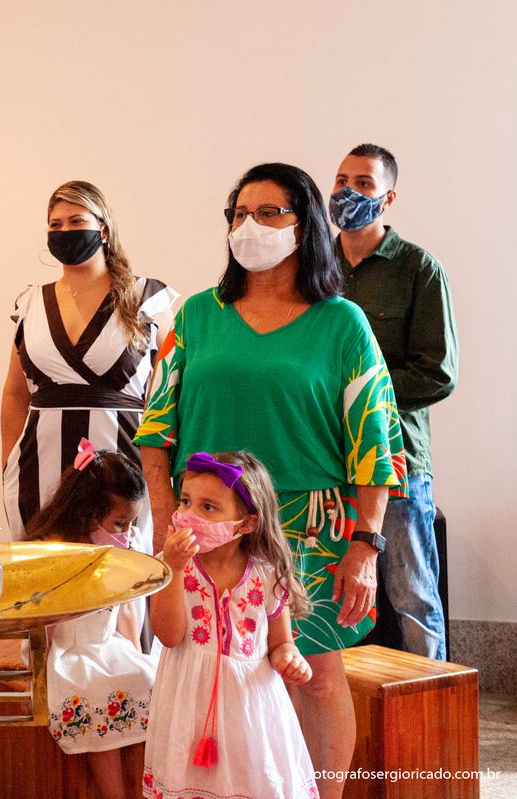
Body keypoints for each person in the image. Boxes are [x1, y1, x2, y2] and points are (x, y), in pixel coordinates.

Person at [135, 162, 406, 799]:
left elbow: (376, 447)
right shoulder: (196, 317)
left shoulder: (343, 324)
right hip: (207, 526)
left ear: (303, 225)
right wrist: (168, 523)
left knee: (314, 677)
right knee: (209, 670)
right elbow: (154, 431)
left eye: (268, 213)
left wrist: (366, 546)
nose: (249, 226)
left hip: (309, 528)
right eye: (239, 214)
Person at [330, 144, 458, 660]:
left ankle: (433, 707)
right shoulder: (312, 267)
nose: (347, 192)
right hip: (325, 458)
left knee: (413, 598)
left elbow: (438, 373)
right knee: (326, 595)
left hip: (396, 457)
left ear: (388, 198)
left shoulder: (419, 269)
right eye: (341, 181)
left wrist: (361, 395)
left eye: (363, 183)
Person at [0, 180, 178, 548]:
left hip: (126, 468)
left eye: (77, 221)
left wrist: (165, 476)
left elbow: (173, 392)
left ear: (104, 229)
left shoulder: (147, 299)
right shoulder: (31, 303)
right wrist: (8, 463)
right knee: (45, 573)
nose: (65, 231)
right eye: (56, 224)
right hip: (38, 468)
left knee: (124, 573)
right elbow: (16, 394)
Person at [143, 451, 316, 799]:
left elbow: (281, 643)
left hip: (250, 711)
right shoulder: (169, 567)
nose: (189, 515)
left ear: (246, 524)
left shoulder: (268, 576)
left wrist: (289, 658)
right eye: (185, 502)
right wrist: (174, 569)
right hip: (188, 706)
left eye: (208, 507)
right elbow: (169, 636)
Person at [25, 440, 156, 799]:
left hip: (106, 646)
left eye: (132, 523)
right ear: (85, 515)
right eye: (120, 523)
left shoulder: (115, 551)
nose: (127, 534)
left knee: (149, 677)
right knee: (97, 691)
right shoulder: (54, 556)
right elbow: (43, 623)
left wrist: (135, 653)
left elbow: (126, 609)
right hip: (64, 653)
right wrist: (34, 679)